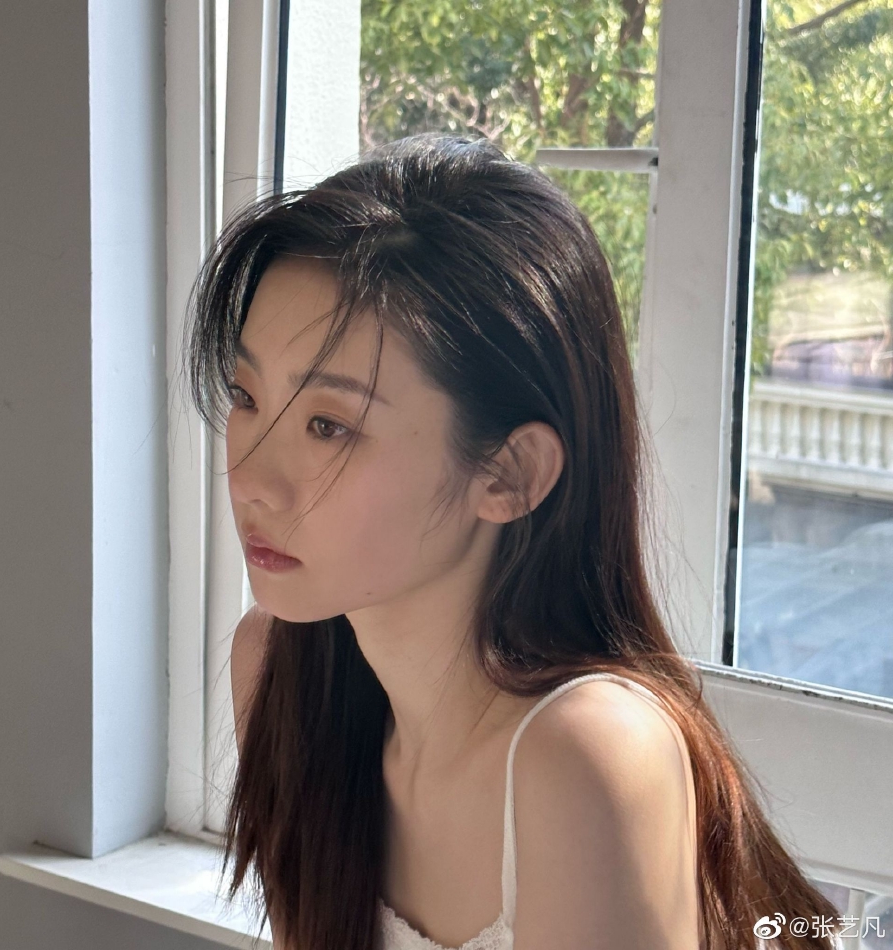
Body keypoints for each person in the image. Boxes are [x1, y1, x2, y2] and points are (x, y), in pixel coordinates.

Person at [184, 134, 841, 950]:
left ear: (509, 473)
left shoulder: (588, 755)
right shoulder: (283, 670)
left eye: (329, 426)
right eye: (246, 395)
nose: (252, 477)